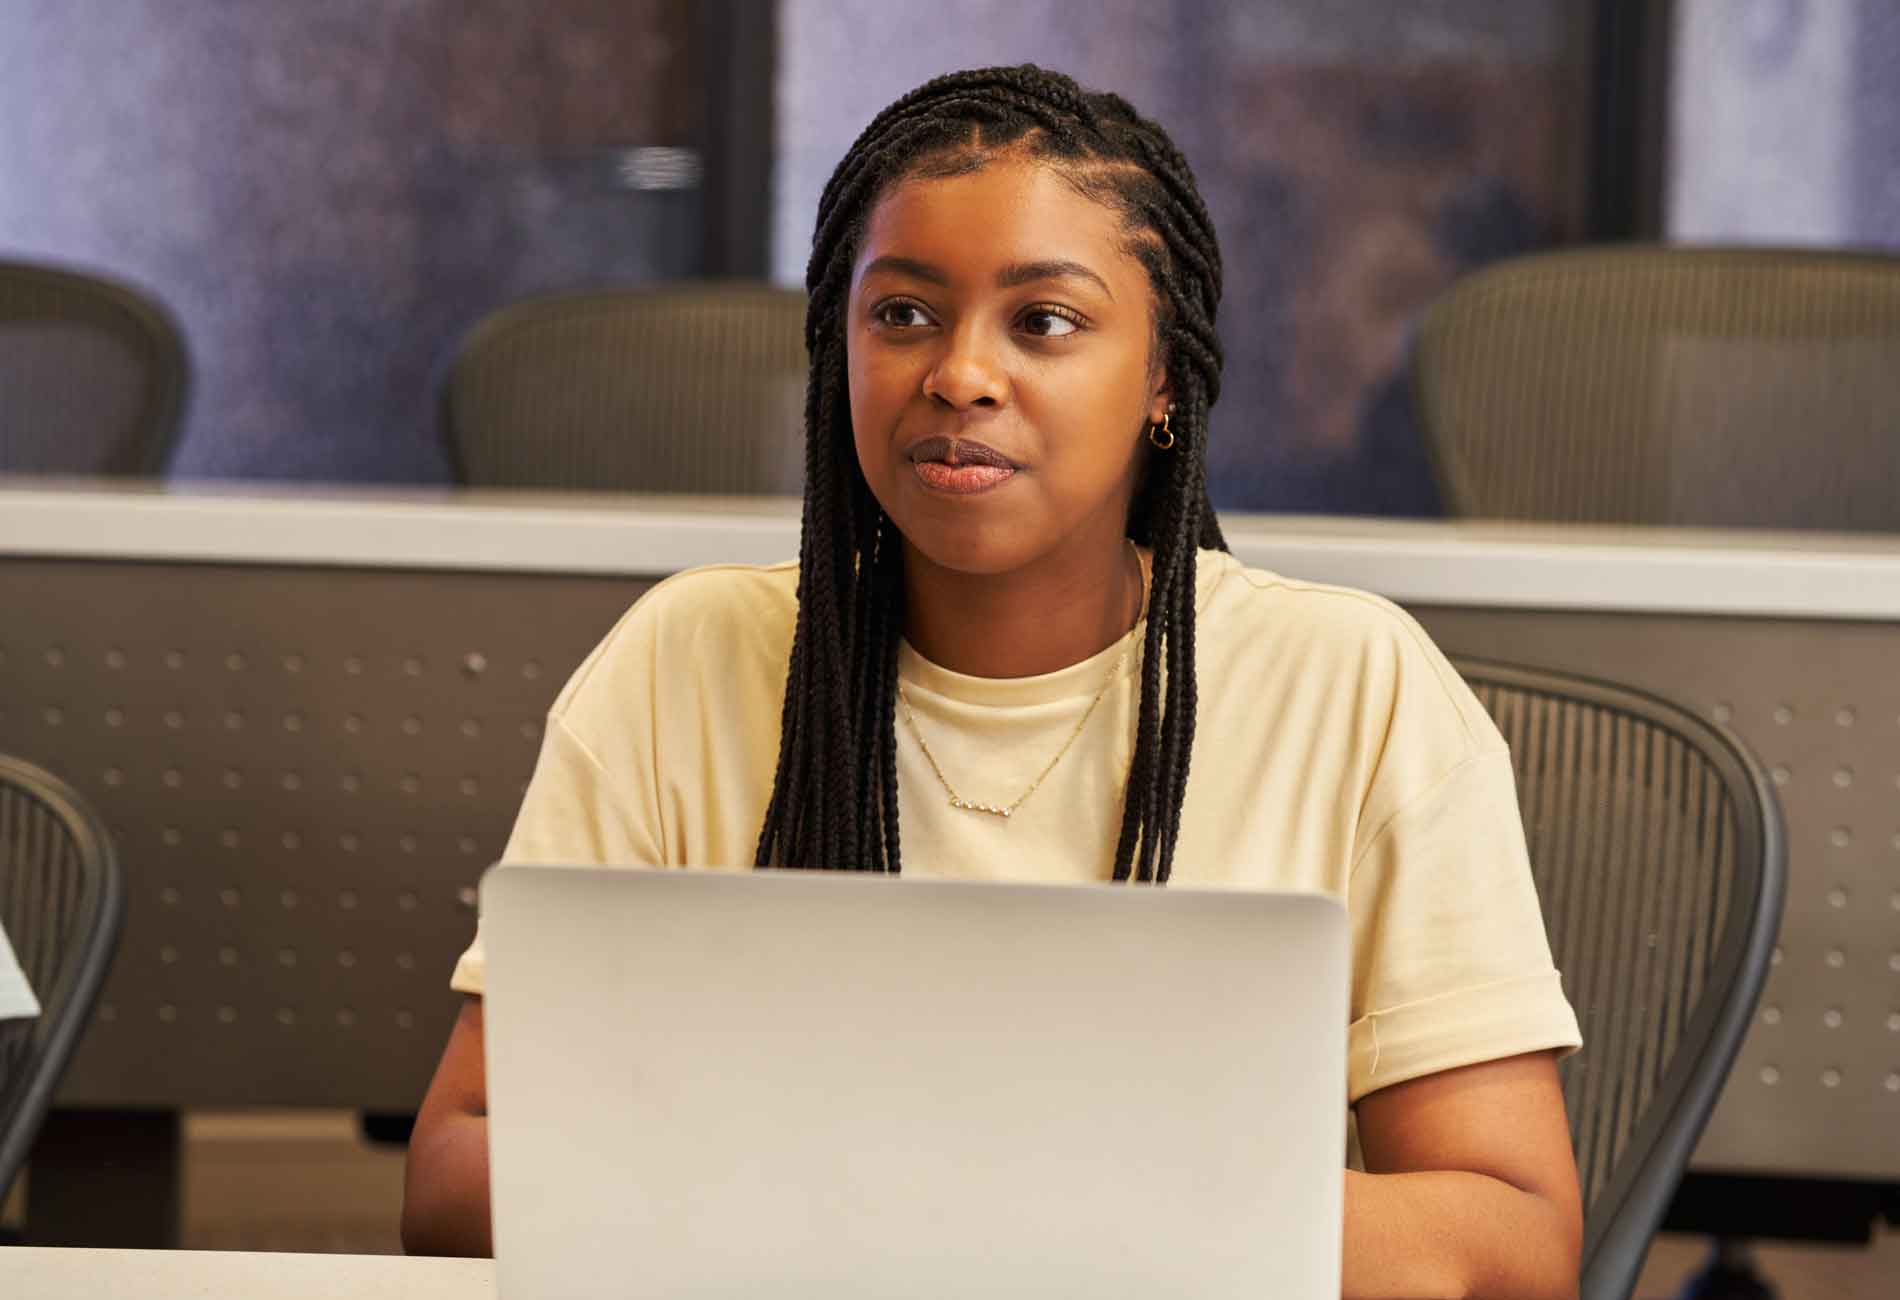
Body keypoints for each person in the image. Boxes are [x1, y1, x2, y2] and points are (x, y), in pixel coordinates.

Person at [402, 64, 1584, 1298]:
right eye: (901, 313)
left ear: (1165, 378)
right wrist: (944, 1196)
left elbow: (1507, 1247)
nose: (959, 373)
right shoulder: (681, 660)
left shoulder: (1351, 688)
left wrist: (1014, 1196)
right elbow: (453, 1175)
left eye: (1045, 322)